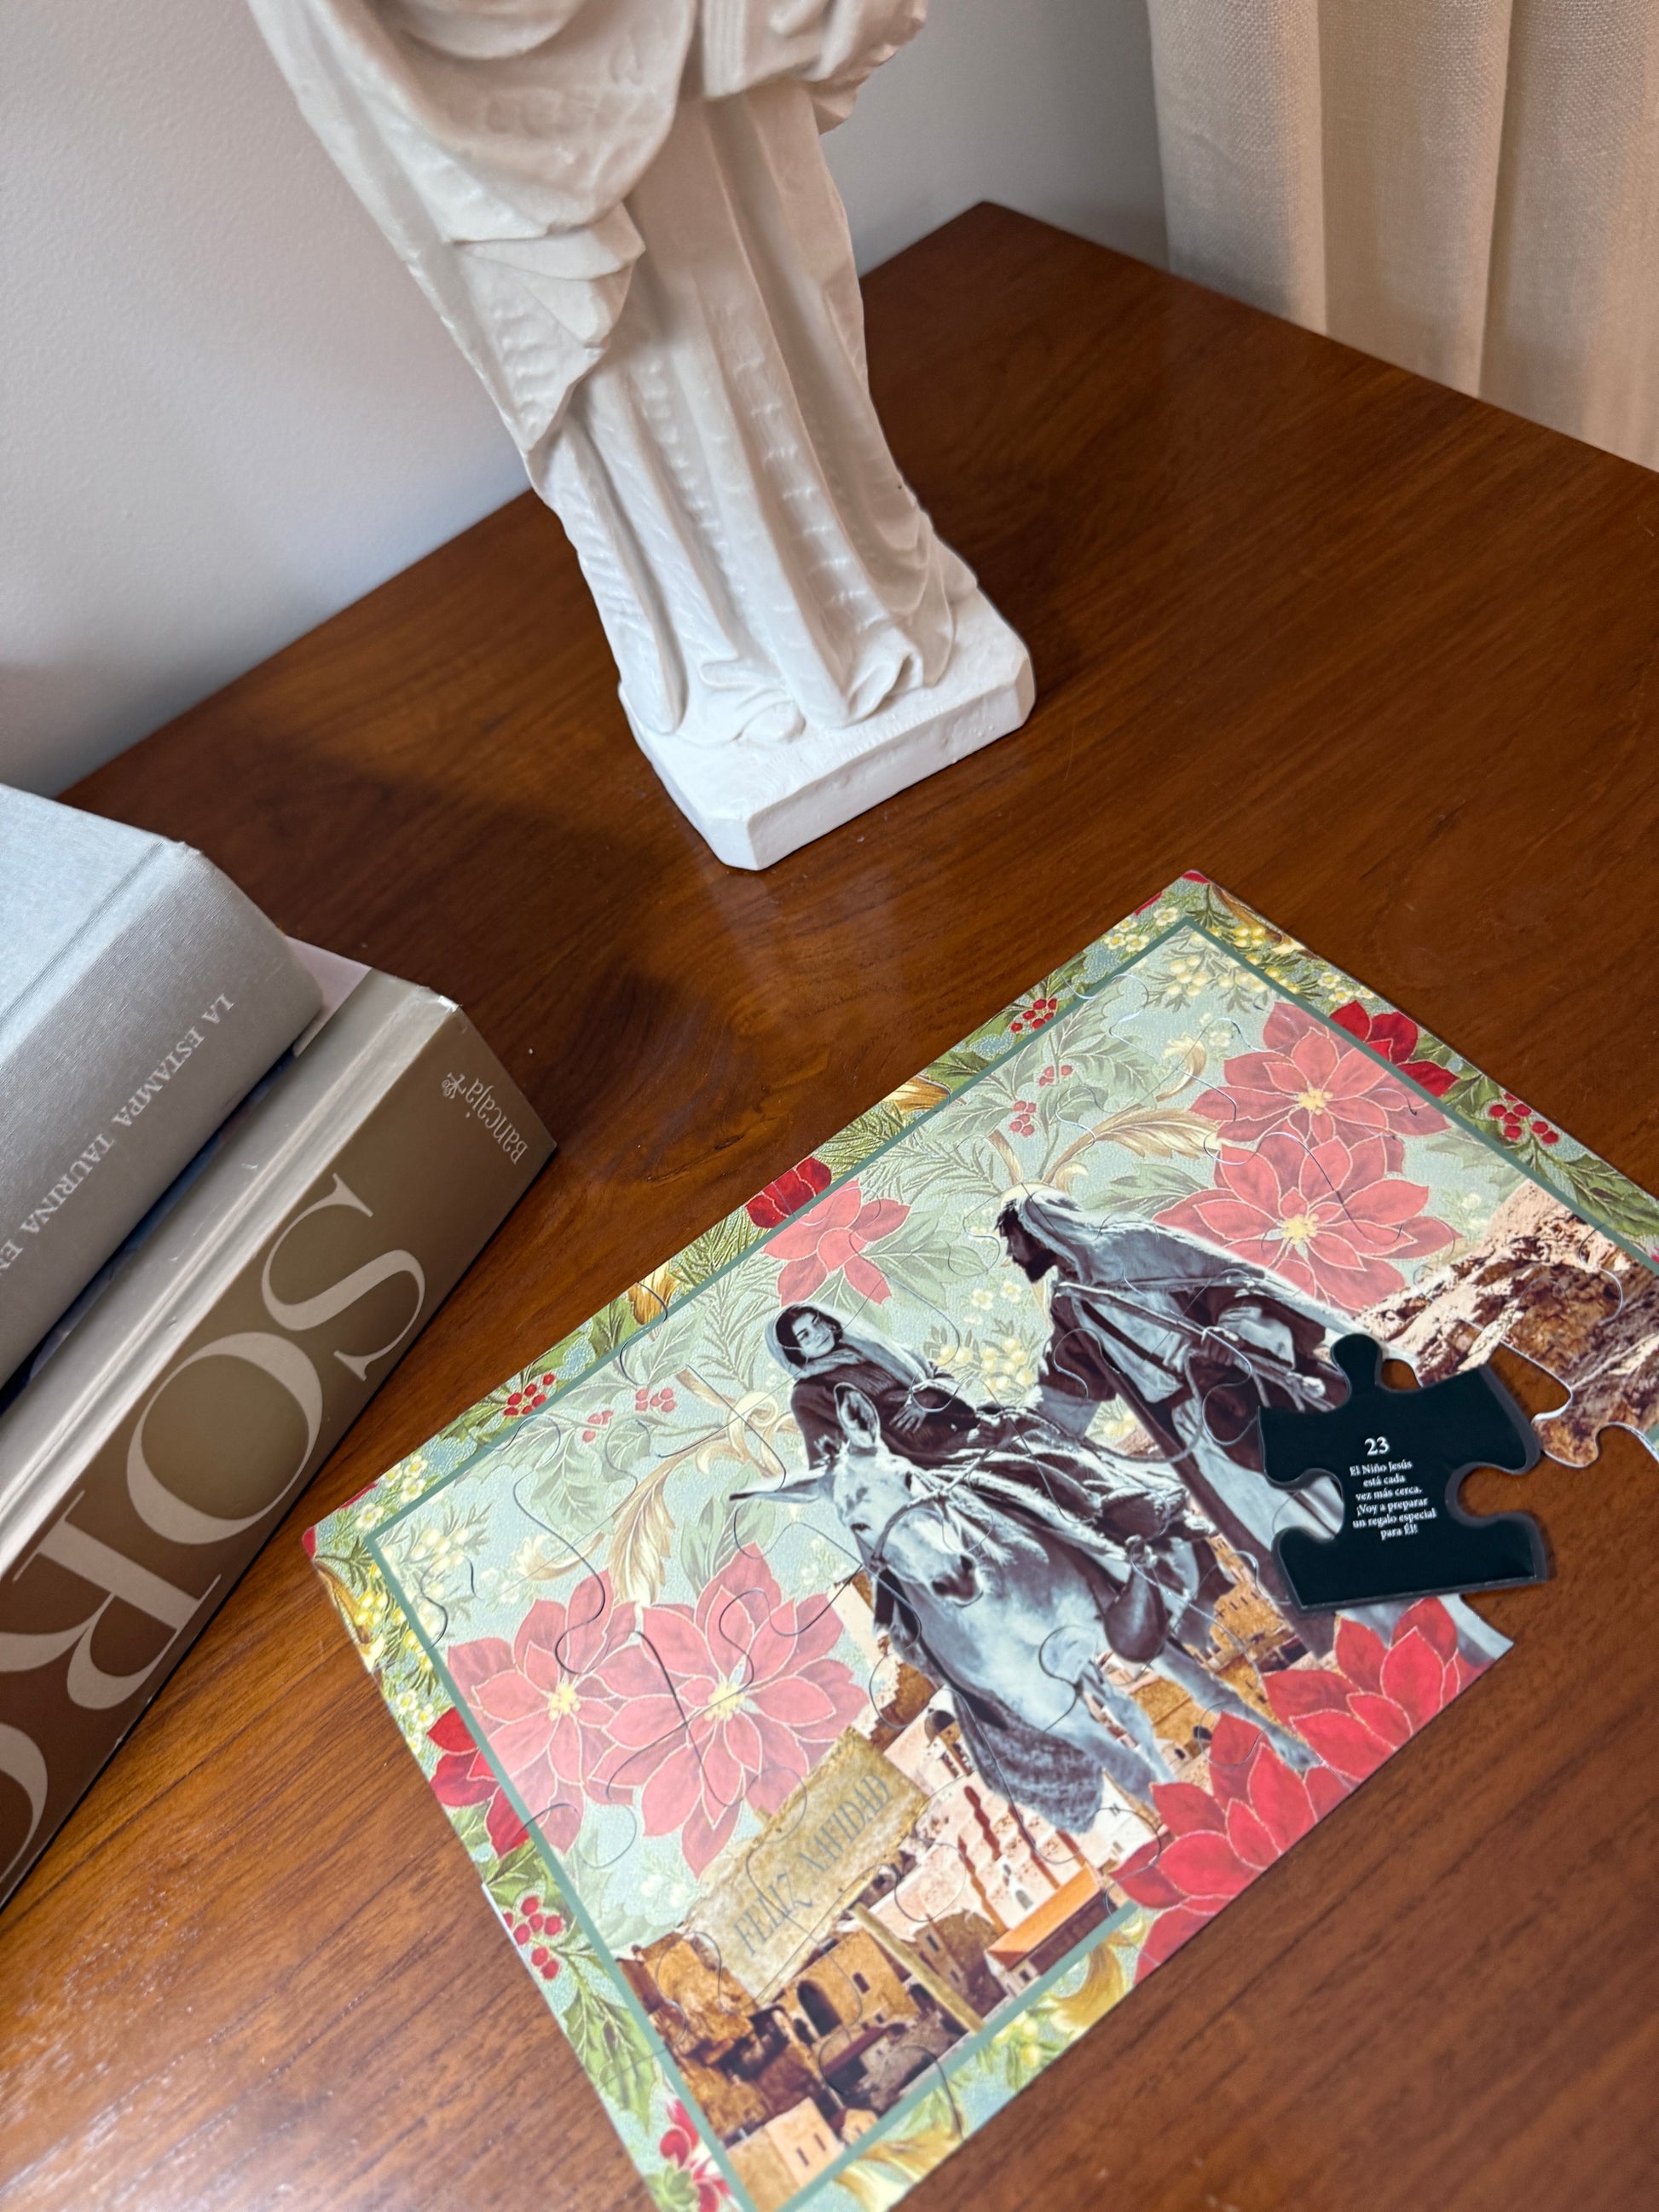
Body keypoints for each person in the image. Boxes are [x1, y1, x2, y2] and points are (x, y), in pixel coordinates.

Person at [997, 1188, 1346, 1626]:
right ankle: (1341, 1607)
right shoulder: (1070, 1302)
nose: (1010, 1253)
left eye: (1011, 1239)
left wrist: (1233, 1332)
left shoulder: (1130, 1242)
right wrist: (1017, 1431)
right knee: (1272, 1520)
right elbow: (1068, 1387)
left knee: (1320, 1483)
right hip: (1195, 1432)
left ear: (1037, 1227)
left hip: (1246, 1390)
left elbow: (1226, 1281)